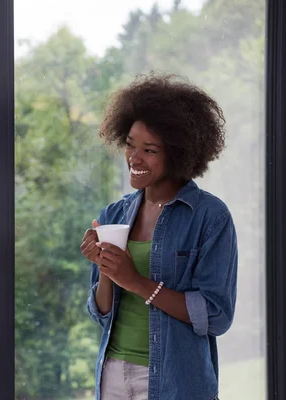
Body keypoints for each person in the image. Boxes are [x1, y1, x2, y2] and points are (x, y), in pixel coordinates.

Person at [81, 73, 237, 400]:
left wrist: (136, 281)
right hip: (112, 373)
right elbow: (101, 312)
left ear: (178, 153)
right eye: (130, 144)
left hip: (175, 381)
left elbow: (216, 315)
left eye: (149, 150)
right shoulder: (113, 214)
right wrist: (107, 270)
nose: (134, 159)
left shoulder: (209, 217)